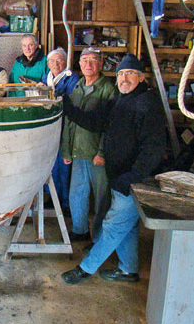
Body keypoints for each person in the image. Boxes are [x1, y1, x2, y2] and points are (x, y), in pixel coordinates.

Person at [60, 53, 166, 285]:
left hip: (135, 181)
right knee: (126, 228)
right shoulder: (120, 99)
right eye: (120, 74)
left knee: (113, 225)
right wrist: (66, 106)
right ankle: (128, 270)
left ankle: (85, 269)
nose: (124, 79)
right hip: (120, 177)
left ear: (141, 77)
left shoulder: (147, 103)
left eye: (130, 74)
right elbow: (94, 121)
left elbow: (154, 148)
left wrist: (133, 176)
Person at [62, 47, 116, 244]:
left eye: (93, 60)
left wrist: (102, 152)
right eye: (84, 60)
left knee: (102, 198)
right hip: (78, 151)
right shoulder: (77, 86)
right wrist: (66, 149)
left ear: (101, 64)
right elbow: (69, 120)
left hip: (96, 154)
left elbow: (110, 125)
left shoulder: (108, 89)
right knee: (77, 194)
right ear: (79, 64)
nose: (88, 65)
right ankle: (80, 230)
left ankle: (100, 238)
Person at [38, 47, 80, 215]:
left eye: (59, 61)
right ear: (47, 64)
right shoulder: (46, 77)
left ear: (65, 62)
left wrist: (51, 94)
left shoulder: (72, 78)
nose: (56, 64)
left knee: (64, 164)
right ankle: (52, 198)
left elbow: (70, 102)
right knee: (51, 164)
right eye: (52, 61)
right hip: (50, 128)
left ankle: (66, 203)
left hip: (65, 126)